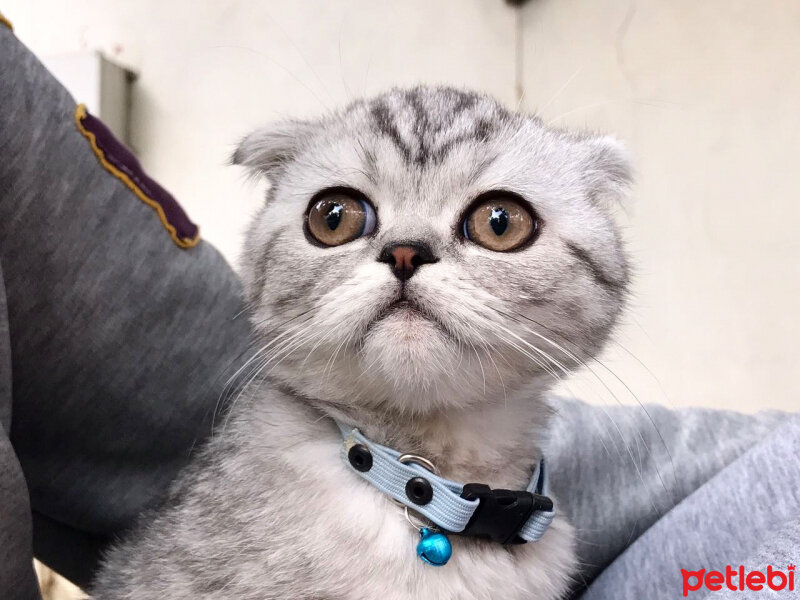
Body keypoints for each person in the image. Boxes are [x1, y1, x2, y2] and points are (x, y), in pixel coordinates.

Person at [1, 17, 796, 600]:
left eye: (497, 222)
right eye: (338, 217)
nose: (406, 255)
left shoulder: (545, 526)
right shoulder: (250, 525)